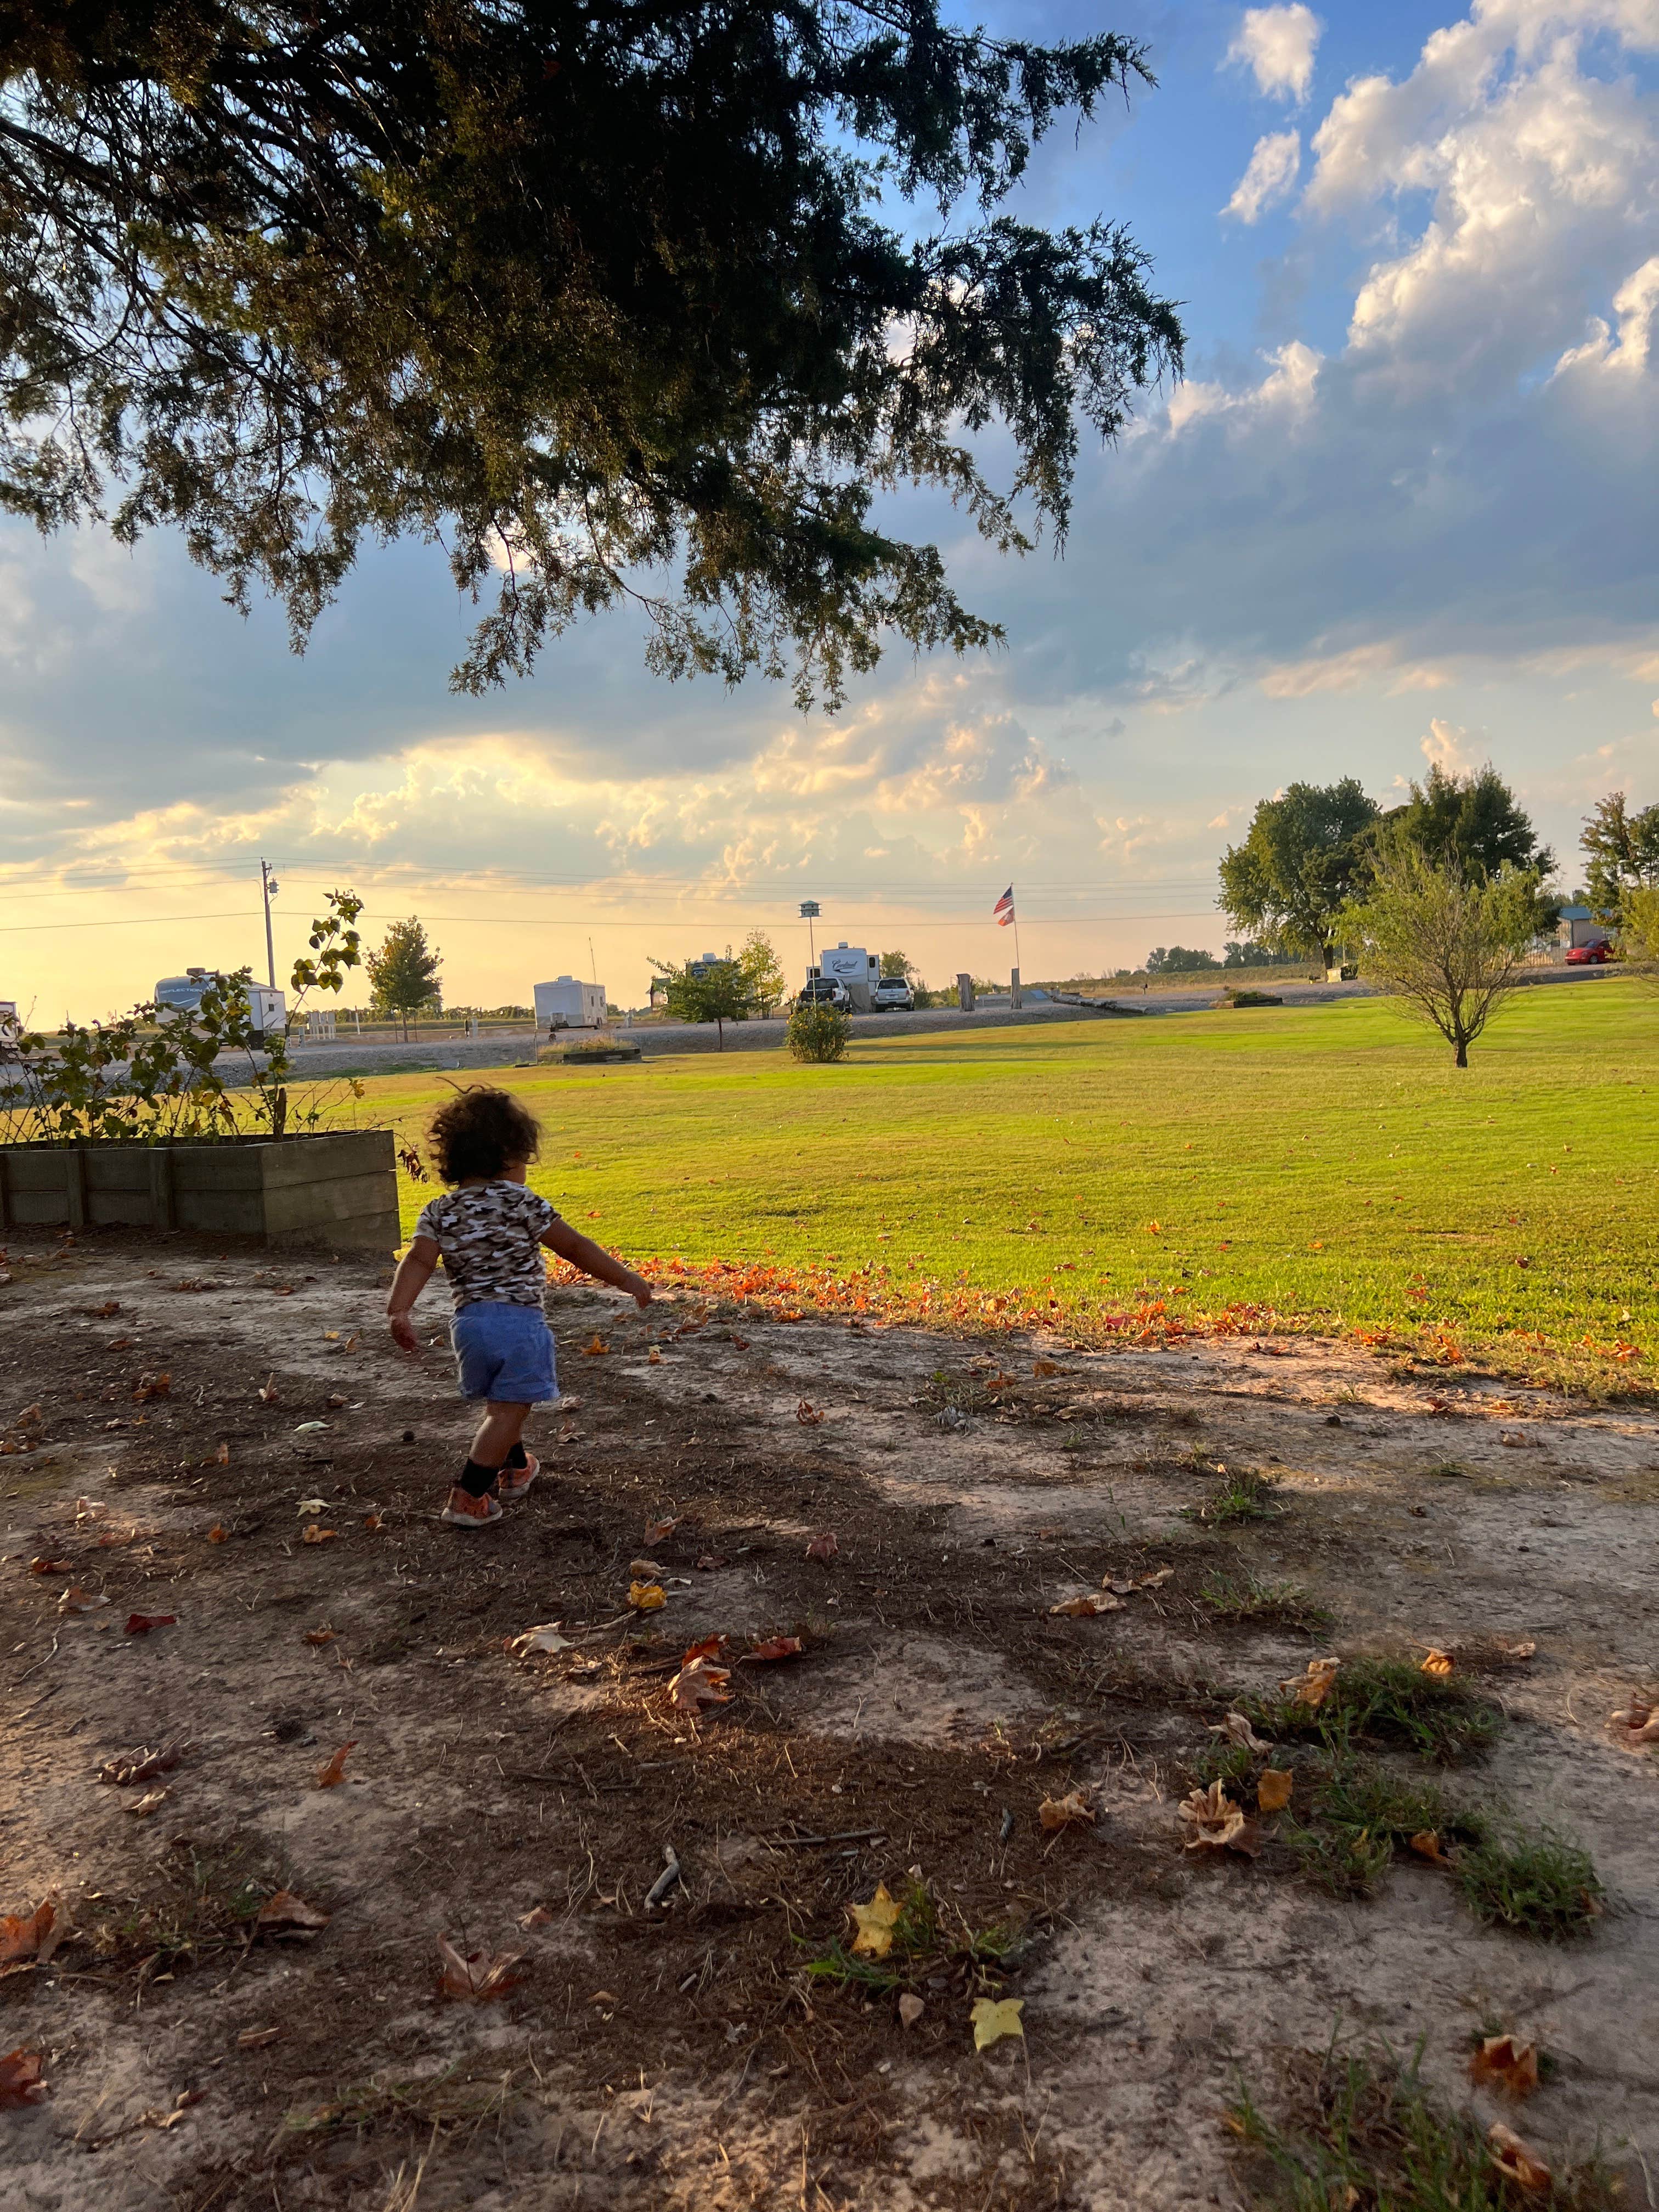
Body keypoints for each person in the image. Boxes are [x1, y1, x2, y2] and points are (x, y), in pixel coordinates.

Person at [386, 1086, 652, 1527]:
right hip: (519, 1325)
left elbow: (418, 1261)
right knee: (509, 1410)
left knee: (503, 1404)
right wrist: (625, 1278)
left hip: (469, 1326)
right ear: (508, 1157)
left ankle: (515, 1468)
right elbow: (575, 1247)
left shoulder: (439, 1211)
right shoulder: (523, 1202)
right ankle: (469, 1495)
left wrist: (399, 1309)